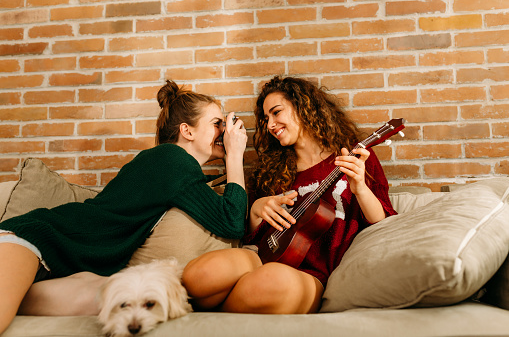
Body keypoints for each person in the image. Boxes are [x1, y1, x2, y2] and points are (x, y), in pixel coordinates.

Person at [0, 79, 248, 334]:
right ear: (187, 130)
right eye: (217, 123)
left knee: (106, 299)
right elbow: (232, 221)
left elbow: (227, 215)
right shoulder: (172, 159)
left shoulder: (175, 170)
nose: (224, 131)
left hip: (70, 264)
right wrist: (236, 154)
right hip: (37, 239)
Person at [182, 76, 397, 314]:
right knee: (198, 276)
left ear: (304, 107)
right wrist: (257, 210)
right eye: (266, 119)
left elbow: (385, 222)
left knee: (269, 283)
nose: (271, 125)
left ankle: (211, 320)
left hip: (311, 273)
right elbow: (247, 232)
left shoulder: (353, 157)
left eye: (276, 112)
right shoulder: (271, 168)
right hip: (262, 254)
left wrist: (360, 188)